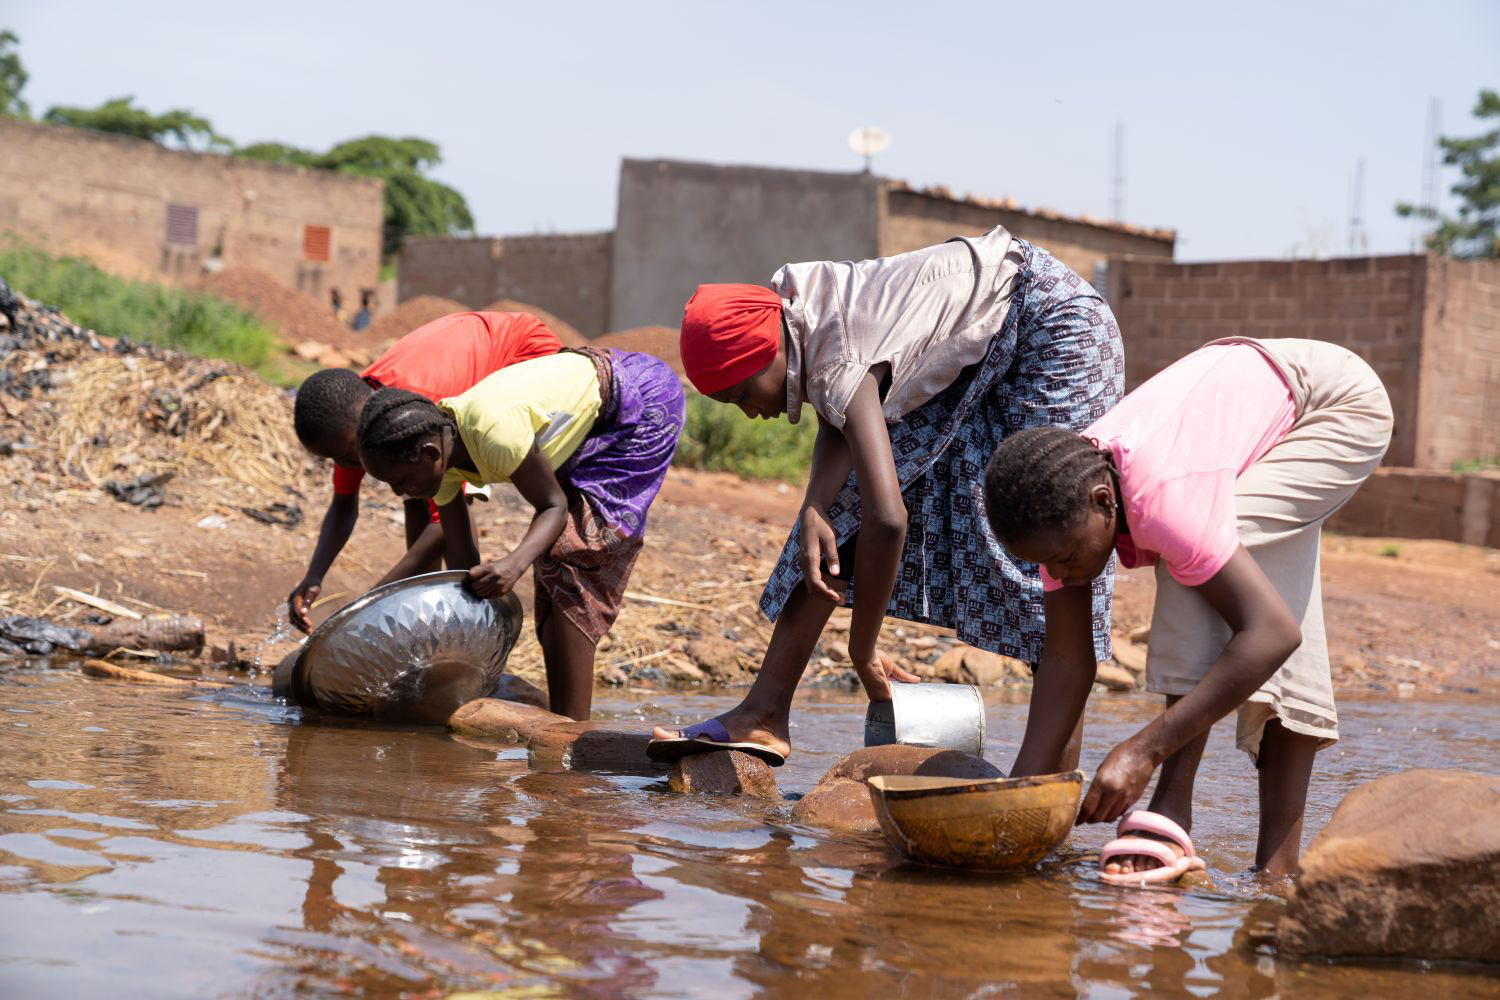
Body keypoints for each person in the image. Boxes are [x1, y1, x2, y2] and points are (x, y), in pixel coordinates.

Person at [649, 226, 1123, 766]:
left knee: (1048, 520)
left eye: (741, 393)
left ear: (769, 349)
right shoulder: (795, 312)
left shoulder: (832, 353)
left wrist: (862, 647)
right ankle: (763, 714)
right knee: (833, 518)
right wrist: (815, 504)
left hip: (1056, 326)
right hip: (988, 326)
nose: (747, 410)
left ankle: (1048, 774)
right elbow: (838, 407)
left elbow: (889, 519)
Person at [983, 337, 1391, 882]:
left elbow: (1271, 634)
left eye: (1061, 560)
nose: (1057, 575)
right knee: (1258, 584)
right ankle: (1278, 868)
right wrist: (1014, 803)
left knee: (1199, 566)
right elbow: (1066, 661)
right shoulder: (1057, 510)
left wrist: (1143, 750)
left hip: (1336, 406)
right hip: (1259, 404)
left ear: (1106, 503)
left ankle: (1172, 805)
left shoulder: (1161, 499)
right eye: (1044, 566)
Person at [354, 346, 685, 720]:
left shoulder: (493, 432)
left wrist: (513, 565)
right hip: (591, 411)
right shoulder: (443, 459)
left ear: (430, 453)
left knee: (572, 556)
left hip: (640, 399)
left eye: (401, 481)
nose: (401, 494)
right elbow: (464, 562)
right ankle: (563, 719)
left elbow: (553, 507)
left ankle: (571, 731)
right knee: (552, 561)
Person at [287, 311, 561, 632]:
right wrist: (314, 575)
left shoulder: (413, 414)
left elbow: (443, 524)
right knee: (414, 491)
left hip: (523, 353)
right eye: (335, 459)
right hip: (463, 349)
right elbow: (344, 504)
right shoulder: (349, 423)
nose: (345, 465)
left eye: (346, 456)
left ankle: (471, 621)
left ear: (360, 431)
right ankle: (430, 613)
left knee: (450, 491)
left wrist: (366, 604)